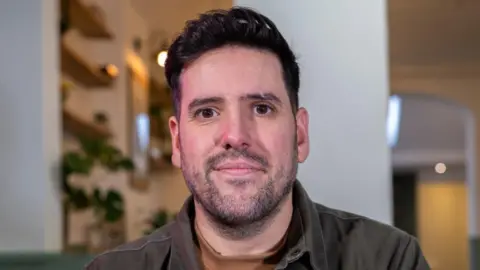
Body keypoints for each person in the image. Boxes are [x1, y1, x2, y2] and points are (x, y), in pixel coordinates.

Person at [86, 6, 430, 270]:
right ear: (177, 143)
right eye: (207, 112)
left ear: (300, 135)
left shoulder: (390, 260)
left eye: (262, 108)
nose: (236, 136)